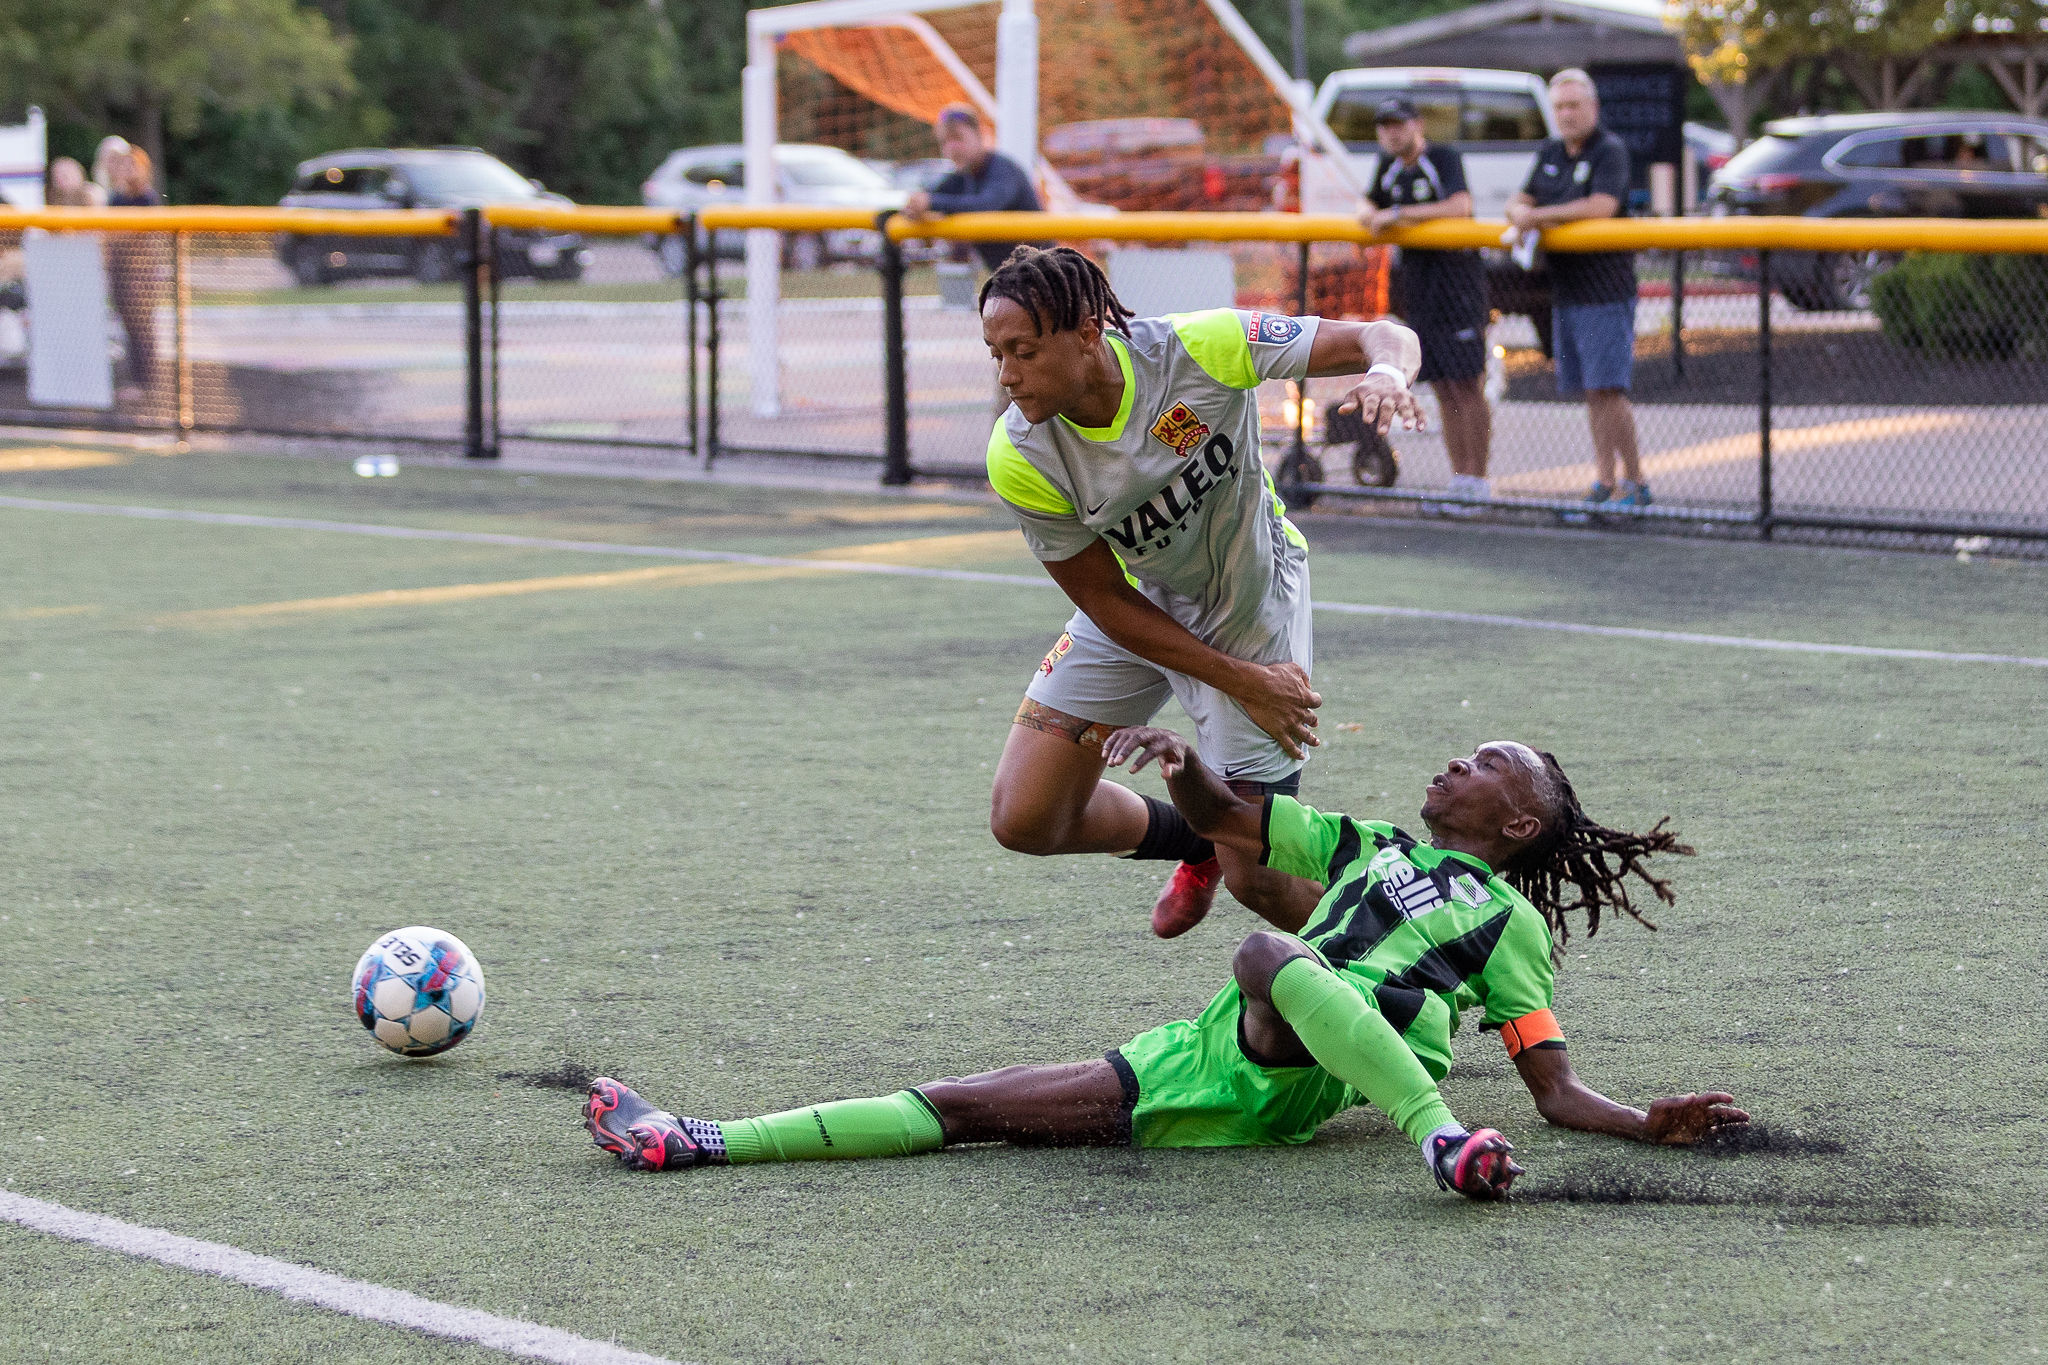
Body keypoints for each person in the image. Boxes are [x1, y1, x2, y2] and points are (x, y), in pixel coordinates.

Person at [582, 735, 1746, 1201]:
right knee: (959, 1106)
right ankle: (698, 1141)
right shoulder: (1369, 844)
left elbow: (1550, 1085)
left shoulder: (1511, 926)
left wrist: (1639, 1121)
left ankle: (1437, 1140)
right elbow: (1230, 817)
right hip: (1216, 1055)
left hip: (1320, 1051)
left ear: (1518, 826)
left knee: (1265, 949)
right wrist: (1183, 765)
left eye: (1486, 765)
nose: (1456, 762)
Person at [973, 246, 1422, 939]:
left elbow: (1381, 335)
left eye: (1024, 352)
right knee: (1024, 819)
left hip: (1251, 605)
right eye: (996, 353)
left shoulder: (1200, 349)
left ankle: (1417, 963)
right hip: (1140, 609)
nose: (1007, 375)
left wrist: (1387, 373)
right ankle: (1201, 832)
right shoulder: (1019, 452)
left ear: (1088, 332)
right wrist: (1242, 683)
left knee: (1260, 879)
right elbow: (1105, 600)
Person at [1506, 70, 1648, 508]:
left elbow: (1601, 207)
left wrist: (1536, 217)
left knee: (1609, 389)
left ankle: (1636, 483)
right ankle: (1605, 480)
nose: (1566, 114)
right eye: (1559, 107)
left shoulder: (1610, 151)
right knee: (1592, 391)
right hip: (1566, 290)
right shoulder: (1551, 151)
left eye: (1574, 105)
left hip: (1605, 290)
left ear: (1593, 108)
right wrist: (1519, 212)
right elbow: (1521, 200)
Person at [1362, 97, 1493, 504]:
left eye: (1398, 124)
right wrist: (1370, 212)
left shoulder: (1442, 158)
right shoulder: (1388, 166)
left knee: (1467, 384)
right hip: (1420, 292)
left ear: (1417, 125)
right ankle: (1460, 480)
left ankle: (1478, 480)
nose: (1391, 133)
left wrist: (1397, 214)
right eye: (1384, 126)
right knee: (1441, 387)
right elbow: (1368, 204)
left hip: (1457, 287)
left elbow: (1460, 206)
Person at [904, 104, 1043, 271]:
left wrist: (931, 203)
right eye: (945, 142)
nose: (951, 148)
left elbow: (986, 204)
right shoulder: (962, 176)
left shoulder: (1003, 169)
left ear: (979, 135)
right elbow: (926, 197)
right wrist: (916, 207)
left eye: (958, 138)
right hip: (1008, 276)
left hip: (1042, 275)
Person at [103, 144, 165, 401]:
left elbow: (145, 236)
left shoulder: (147, 197)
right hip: (119, 268)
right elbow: (108, 233)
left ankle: (145, 381)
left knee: (142, 325)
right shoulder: (116, 198)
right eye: (124, 165)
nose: (127, 170)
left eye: (133, 165)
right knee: (127, 325)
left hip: (140, 271)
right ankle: (136, 379)